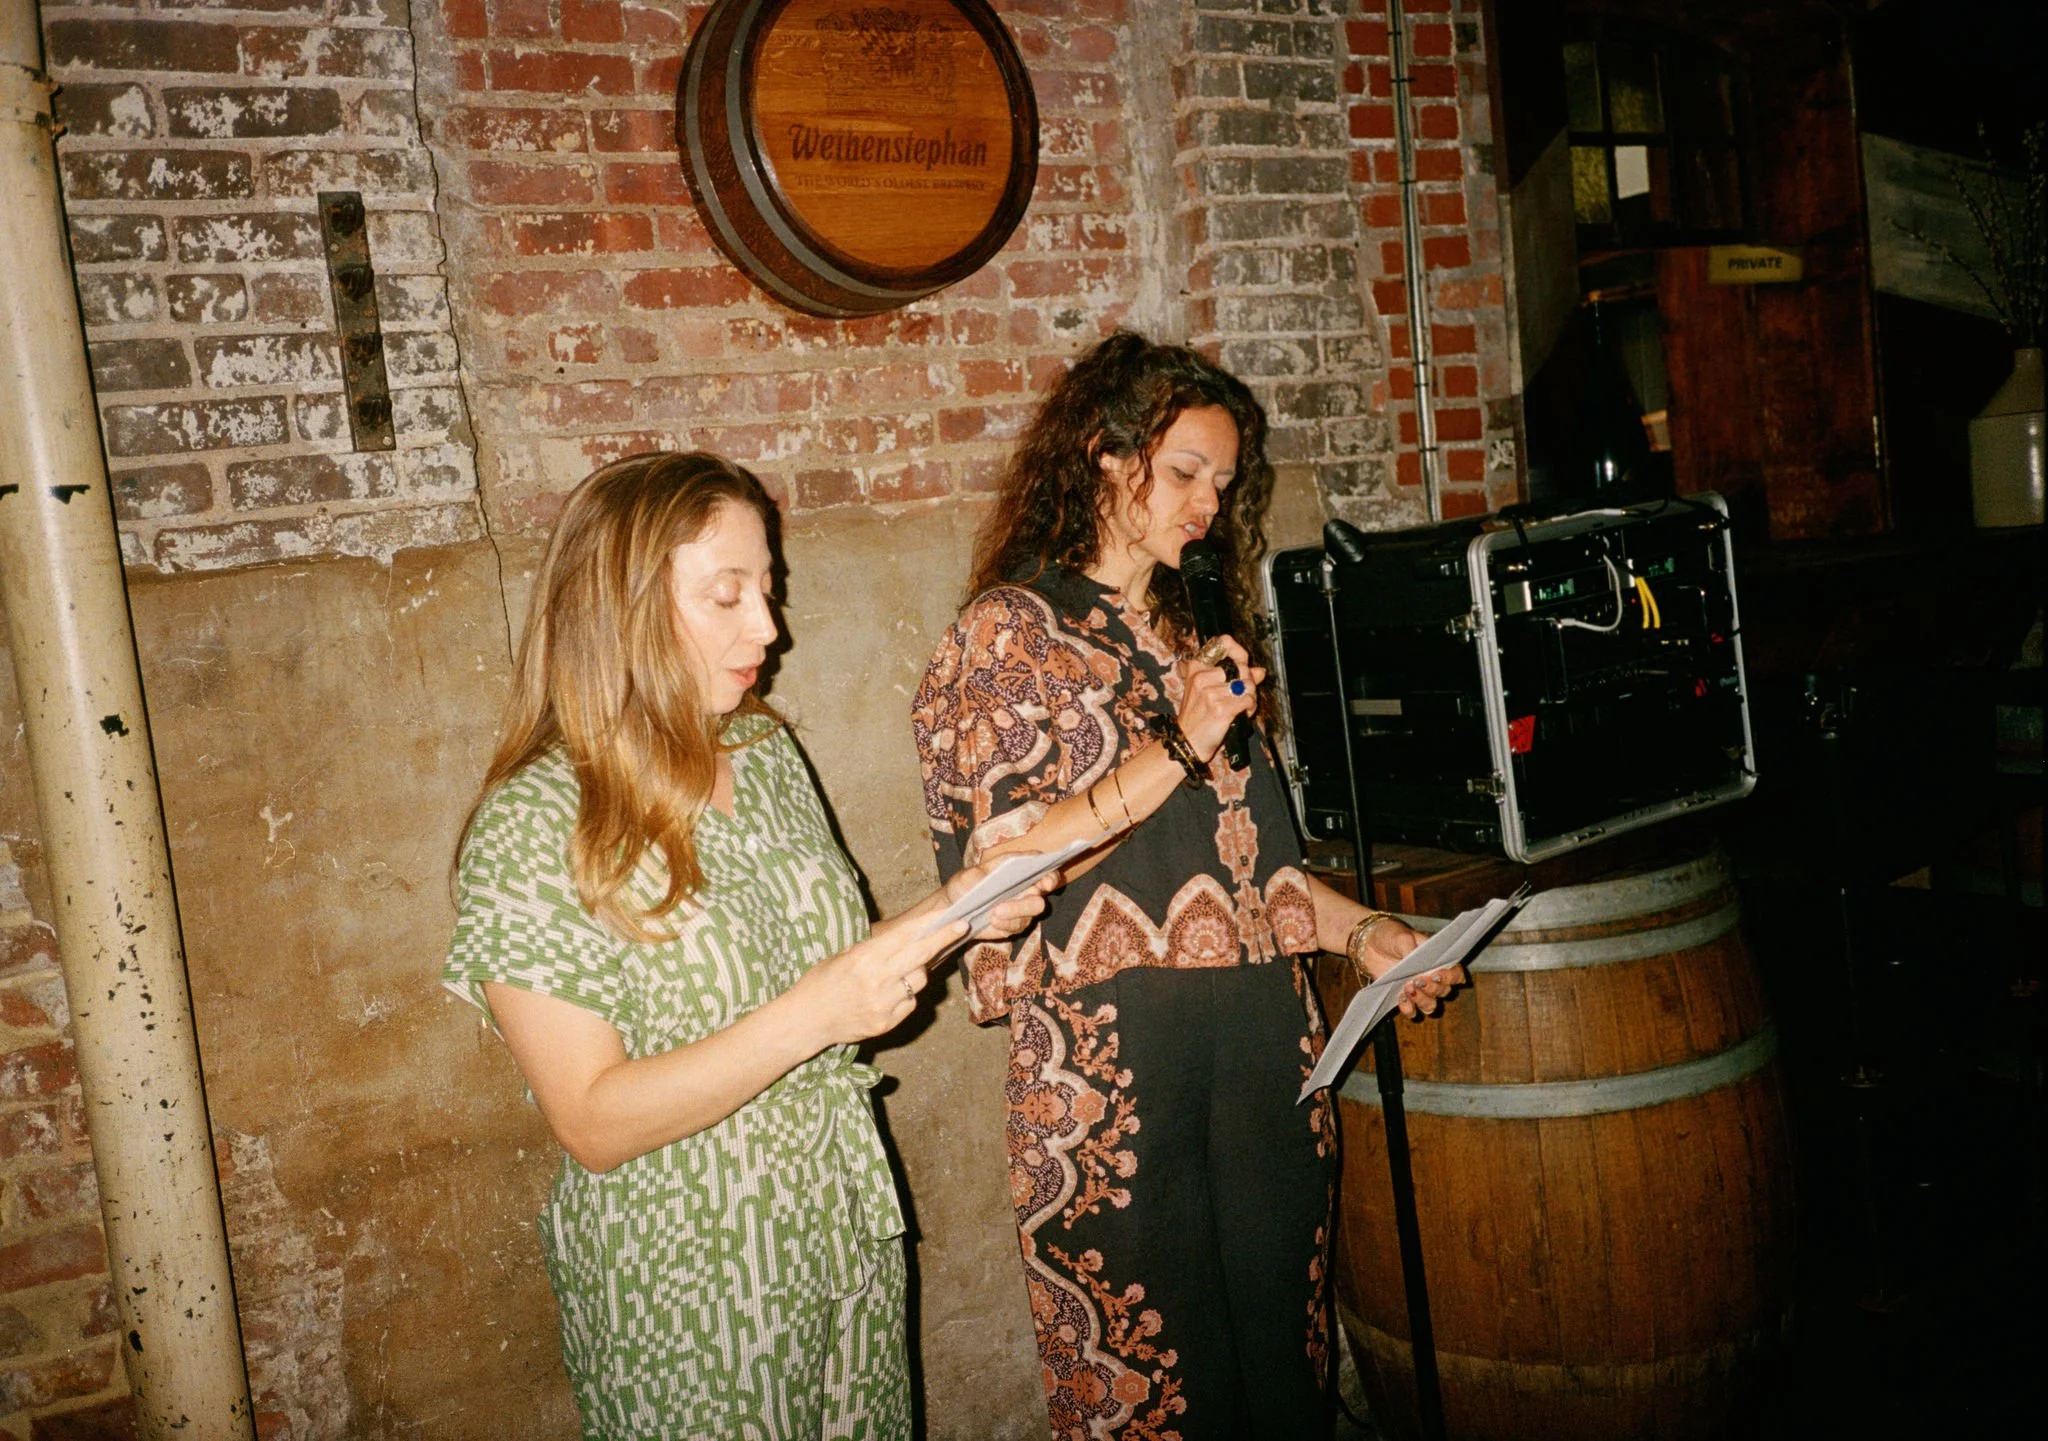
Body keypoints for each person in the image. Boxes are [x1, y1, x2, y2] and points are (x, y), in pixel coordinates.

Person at [910, 332, 1461, 1438]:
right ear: (1105, 457)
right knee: (1157, 1392)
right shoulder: (1008, 635)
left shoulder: (1196, 639)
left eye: (1224, 480)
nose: (1210, 502)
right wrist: (1178, 739)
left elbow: (1258, 877)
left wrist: (1367, 938)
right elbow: (1000, 871)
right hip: (1116, 1081)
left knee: (1283, 1377)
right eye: (1184, 472)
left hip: (1267, 1063)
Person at [443, 451, 1049, 1440]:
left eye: (767, 589)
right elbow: (591, 1118)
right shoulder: (536, 821)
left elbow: (828, 968)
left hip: (840, 1225)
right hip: (687, 1276)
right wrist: (817, 1014)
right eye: (726, 595)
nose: (768, 628)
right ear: (620, 607)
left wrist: (959, 905)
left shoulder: (761, 752)